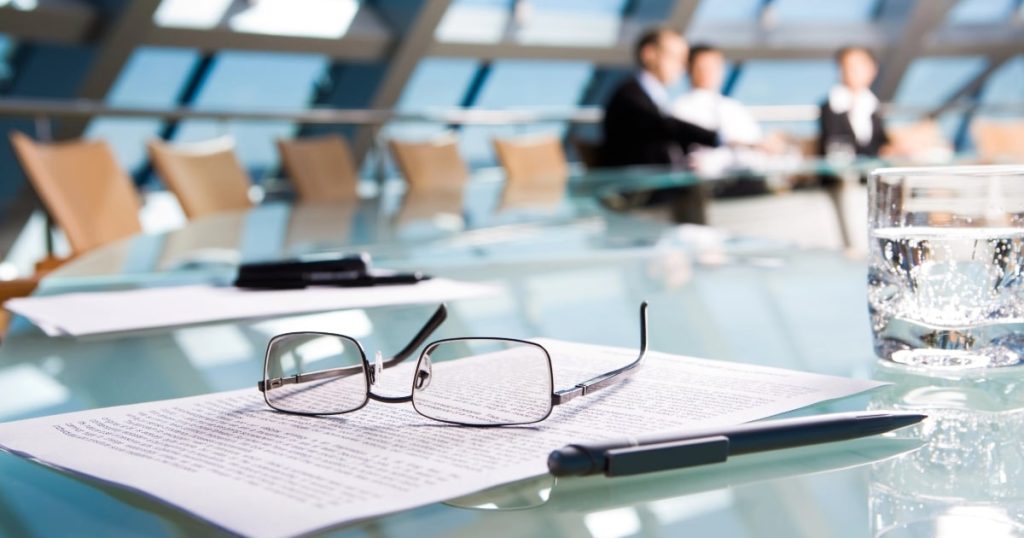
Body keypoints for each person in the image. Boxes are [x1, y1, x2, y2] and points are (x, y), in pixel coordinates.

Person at [599, 28, 720, 168]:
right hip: (638, 183)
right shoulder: (630, 96)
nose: (682, 67)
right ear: (649, 54)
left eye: (684, 60)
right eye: (676, 57)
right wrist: (717, 138)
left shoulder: (651, 96)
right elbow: (662, 126)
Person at [672, 43, 762, 146]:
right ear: (689, 70)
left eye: (715, 66)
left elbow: (756, 141)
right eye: (704, 67)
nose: (710, 72)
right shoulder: (681, 108)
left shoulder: (734, 108)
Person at [818, 46, 891, 157]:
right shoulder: (830, 106)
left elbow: (880, 142)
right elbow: (836, 146)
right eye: (849, 66)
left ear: (873, 70)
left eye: (861, 66)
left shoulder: (873, 105)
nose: (853, 71)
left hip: (869, 171)